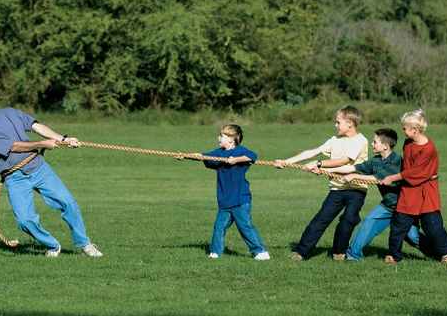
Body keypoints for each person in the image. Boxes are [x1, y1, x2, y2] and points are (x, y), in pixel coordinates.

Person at [0, 84, 102, 258]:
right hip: (14, 177)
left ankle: (85, 244)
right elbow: (13, 146)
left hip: (38, 168)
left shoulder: (10, 112)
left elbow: (37, 127)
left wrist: (63, 139)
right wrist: (41, 144)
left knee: (68, 202)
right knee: (25, 221)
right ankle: (53, 245)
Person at [274, 104, 368, 261]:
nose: (335, 125)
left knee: (348, 219)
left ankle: (339, 251)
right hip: (337, 189)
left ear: (349, 123)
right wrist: (286, 162)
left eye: (338, 122)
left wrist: (319, 164)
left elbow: (343, 161)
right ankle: (301, 252)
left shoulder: (360, 141)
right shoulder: (334, 140)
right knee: (321, 218)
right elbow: (312, 152)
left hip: (356, 189)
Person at [174, 123, 270, 260]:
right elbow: (202, 156)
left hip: (240, 199)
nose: (218, 138)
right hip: (225, 200)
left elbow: (252, 156)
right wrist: (185, 156)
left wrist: (235, 160)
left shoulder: (239, 151)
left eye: (221, 136)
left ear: (232, 139)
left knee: (245, 226)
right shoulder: (218, 153)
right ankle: (216, 252)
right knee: (219, 226)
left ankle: (260, 252)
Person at [324, 128, 421, 260]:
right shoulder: (375, 161)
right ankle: (354, 256)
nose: (372, 144)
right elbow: (350, 168)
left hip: (403, 206)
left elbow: (379, 179)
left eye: (375, 142)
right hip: (388, 205)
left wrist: (354, 176)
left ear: (386, 146)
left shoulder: (396, 160)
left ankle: (439, 253)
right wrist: (321, 167)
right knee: (369, 222)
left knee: (412, 237)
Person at [381, 109, 447, 264]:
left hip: (426, 192)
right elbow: (407, 168)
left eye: (405, 128)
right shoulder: (408, 143)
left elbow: (415, 172)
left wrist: (391, 178)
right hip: (409, 191)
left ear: (415, 130)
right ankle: (394, 256)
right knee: (399, 225)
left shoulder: (428, 149)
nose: (403, 131)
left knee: (432, 226)